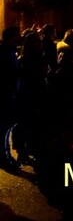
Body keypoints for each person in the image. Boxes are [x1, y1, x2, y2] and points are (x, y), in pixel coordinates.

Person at [15, 30, 49, 165]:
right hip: (36, 94)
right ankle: (32, 150)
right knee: (34, 125)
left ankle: (22, 152)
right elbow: (44, 72)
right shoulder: (39, 58)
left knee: (24, 125)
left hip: (25, 94)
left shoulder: (22, 59)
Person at [0, 26, 22, 169]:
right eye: (16, 36)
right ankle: (4, 157)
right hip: (5, 96)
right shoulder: (5, 53)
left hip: (8, 95)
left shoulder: (9, 52)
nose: (19, 38)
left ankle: (5, 156)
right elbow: (8, 75)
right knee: (4, 129)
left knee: (5, 128)